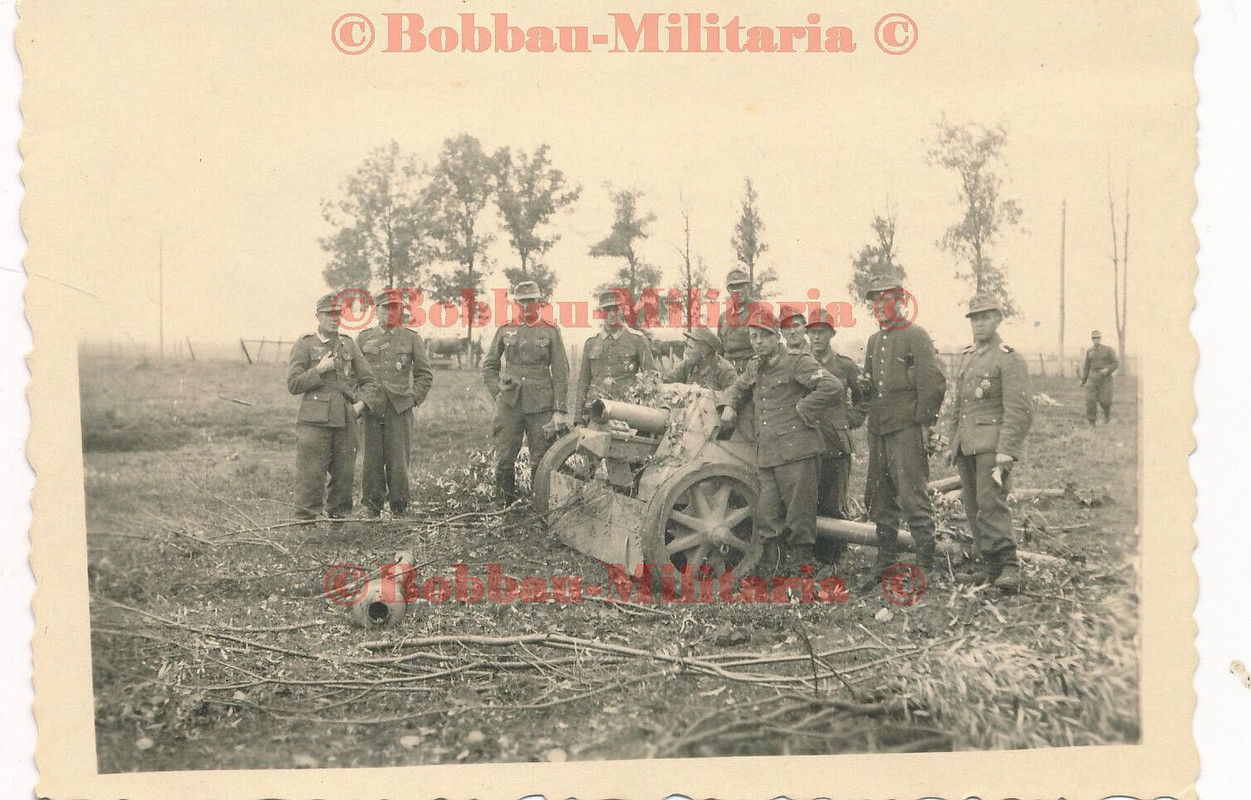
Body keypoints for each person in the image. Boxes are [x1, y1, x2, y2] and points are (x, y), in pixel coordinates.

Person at [719, 307, 841, 573]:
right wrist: (729, 406)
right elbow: (738, 387)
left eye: (764, 336)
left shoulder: (797, 361)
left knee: (799, 516)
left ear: (777, 336)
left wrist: (804, 408)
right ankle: (771, 568)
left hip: (797, 452)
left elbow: (831, 386)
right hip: (768, 454)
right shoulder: (755, 366)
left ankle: (801, 571)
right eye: (753, 337)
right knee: (766, 514)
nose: (758, 342)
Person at [859, 276, 947, 591]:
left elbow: (933, 381)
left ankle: (925, 563)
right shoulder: (873, 341)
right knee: (880, 496)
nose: (878, 307)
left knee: (912, 494)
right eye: (874, 301)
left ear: (899, 302)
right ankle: (885, 561)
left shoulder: (916, 335)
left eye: (884, 300)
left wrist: (926, 426)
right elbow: (868, 385)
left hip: (907, 429)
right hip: (879, 428)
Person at [947, 294, 1034, 592]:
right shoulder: (968, 356)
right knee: (972, 504)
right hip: (966, 445)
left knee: (991, 503)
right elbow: (958, 405)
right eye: (974, 318)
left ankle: (1008, 563)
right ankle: (990, 564)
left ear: (998, 318)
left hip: (991, 447)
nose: (979, 323)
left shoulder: (1008, 358)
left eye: (985, 316)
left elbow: (1019, 409)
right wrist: (952, 443)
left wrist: (1007, 450)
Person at [287, 293, 379, 522]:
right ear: (318, 315)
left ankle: (339, 522)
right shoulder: (305, 344)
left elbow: (370, 381)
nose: (334, 319)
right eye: (329, 314)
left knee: (344, 474)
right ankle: (306, 524)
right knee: (311, 474)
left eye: (338, 314)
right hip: (314, 421)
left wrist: (360, 405)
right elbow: (293, 384)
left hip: (346, 419)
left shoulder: (348, 344)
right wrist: (318, 370)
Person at [481, 281, 570, 506]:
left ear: (539, 303)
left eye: (531, 300)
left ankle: (540, 511)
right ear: (516, 303)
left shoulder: (550, 330)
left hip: (540, 405)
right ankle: (505, 509)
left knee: (541, 459)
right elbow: (489, 365)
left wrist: (559, 409)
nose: (527, 305)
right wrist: (498, 393)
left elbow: (561, 372)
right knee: (504, 458)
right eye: (522, 301)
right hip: (509, 404)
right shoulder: (505, 328)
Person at [355, 290, 434, 517]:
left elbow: (424, 375)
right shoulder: (363, 339)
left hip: (399, 409)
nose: (389, 312)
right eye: (384, 307)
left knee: (398, 461)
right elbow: (351, 374)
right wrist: (360, 400)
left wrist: (412, 399)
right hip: (371, 408)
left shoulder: (410, 338)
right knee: (371, 460)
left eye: (394, 308)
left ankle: (399, 507)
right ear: (376, 310)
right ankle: (372, 509)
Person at [807, 307, 870, 563]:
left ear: (831, 334)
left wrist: (848, 421)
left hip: (835, 443)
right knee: (809, 499)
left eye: (822, 333)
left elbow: (864, 399)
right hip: (808, 441)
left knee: (833, 502)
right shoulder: (802, 362)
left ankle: (832, 557)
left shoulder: (844, 365)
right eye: (812, 333)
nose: (817, 338)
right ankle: (812, 553)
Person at [575, 290, 658, 420]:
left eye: (615, 309)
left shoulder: (637, 340)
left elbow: (651, 378)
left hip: (626, 412)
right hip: (595, 412)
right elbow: (583, 383)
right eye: (607, 310)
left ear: (622, 310)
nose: (611, 314)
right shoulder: (591, 343)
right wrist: (578, 419)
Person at [661, 326, 738, 391]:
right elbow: (667, 380)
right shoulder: (688, 364)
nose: (686, 352)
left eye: (690, 348)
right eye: (686, 346)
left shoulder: (726, 372)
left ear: (704, 352)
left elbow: (734, 400)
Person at [717, 269, 757, 372]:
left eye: (740, 286)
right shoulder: (723, 317)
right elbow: (719, 349)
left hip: (753, 369)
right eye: (733, 287)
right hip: (728, 370)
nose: (737, 291)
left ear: (748, 286)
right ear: (728, 290)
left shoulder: (760, 312)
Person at [1081, 330, 1119, 425]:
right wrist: (1084, 380)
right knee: (1090, 400)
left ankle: (1107, 417)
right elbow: (1086, 367)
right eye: (1094, 338)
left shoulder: (1108, 350)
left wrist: (1107, 370)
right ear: (1091, 339)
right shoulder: (1089, 351)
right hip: (1093, 378)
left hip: (1105, 378)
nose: (1096, 339)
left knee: (1105, 401)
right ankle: (1092, 422)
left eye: (1097, 337)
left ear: (1100, 338)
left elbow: (1115, 363)